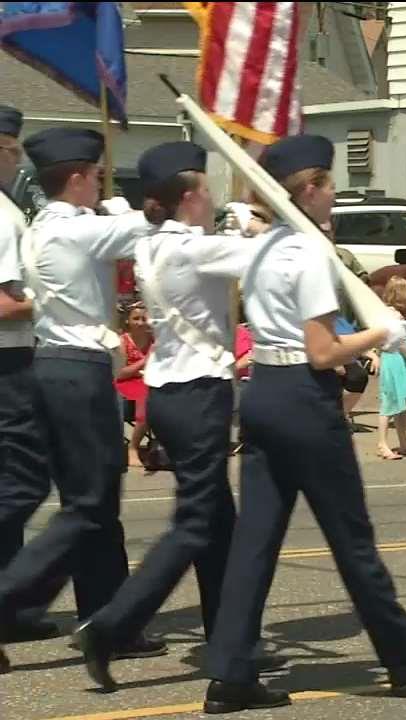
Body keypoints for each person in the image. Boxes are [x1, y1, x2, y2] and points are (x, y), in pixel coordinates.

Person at [200, 135, 406, 712]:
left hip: (264, 393)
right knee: (352, 540)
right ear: (312, 189)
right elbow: (322, 350)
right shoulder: (309, 253)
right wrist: (384, 332)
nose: (335, 196)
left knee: (255, 543)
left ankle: (230, 674)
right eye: (329, 185)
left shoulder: (264, 247)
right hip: (303, 396)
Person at [74, 142, 255, 691]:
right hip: (198, 395)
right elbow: (265, 262)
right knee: (195, 526)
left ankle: (230, 642)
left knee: (220, 525)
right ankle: (107, 628)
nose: (211, 195)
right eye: (204, 186)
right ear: (189, 197)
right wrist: (267, 223)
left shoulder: (152, 243)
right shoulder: (192, 249)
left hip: (171, 396)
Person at [0, 128, 165, 676]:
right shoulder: (75, 232)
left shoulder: (47, 224)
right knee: (90, 505)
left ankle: (105, 617)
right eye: (96, 175)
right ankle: (25, 599)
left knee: (91, 504)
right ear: (76, 178)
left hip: (55, 367)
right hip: (79, 370)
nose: (101, 182)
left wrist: (109, 209)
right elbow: (153, 226)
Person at [0, 104, 59, 646]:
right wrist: (51, 298)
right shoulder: (1, 213)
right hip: (8, 359)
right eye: (13, 150)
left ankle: (12, 612)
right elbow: (2, 304)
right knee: (25, 481)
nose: (18, 161)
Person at [376, 277, 406, 460]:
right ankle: (382, 443)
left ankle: (403, 441)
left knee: (400, 404)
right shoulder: (391, 316)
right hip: (394, 360)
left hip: (399, 361)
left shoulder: (396, 315)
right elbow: (398, 342)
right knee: (389, 403)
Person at [115, 301, 153, 468]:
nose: (140, 322)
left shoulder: (155, 340)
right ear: (128, 321)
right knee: (146, 399)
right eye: (136, 318)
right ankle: (132, 447)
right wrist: (144, 362)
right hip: (126, 383)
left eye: (143, 319)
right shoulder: (123, 341)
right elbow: (120, 373)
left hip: (151, 380)